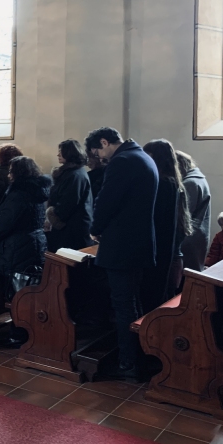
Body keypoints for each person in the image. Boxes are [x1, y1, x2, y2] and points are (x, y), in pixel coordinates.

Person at [86, 127, 158, 379]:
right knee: (132, 302)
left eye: (97, 151)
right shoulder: (143, 157)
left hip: (122, 246)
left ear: (105, 142)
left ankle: (128, 363)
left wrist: (95, 229)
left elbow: (107, 201)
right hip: (138, 244)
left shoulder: (122, 161)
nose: (99, 157)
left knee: (123, 305)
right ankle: (136, 357)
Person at [0, 156, 51, 346]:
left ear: (17, 173)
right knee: (26, 289)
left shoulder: (18, 193)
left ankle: (17, 334)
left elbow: (7, 220)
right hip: (34, 242)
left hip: (17, 247)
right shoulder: (37, 190)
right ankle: (25, 329)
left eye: (10, 171)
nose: (8, 174)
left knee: (16, 292)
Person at [141, 140, 191, 313]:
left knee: (153, 297)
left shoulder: (163, 183)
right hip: (168, 250)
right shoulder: (174, 183)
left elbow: (157, 219)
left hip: (160, 251)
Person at [45, 139, 93, 252]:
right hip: (69, 227)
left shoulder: (75, 175)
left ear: (69, 153)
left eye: (61, 151)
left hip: (72, 229)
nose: (58, 154)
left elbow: (68, 203)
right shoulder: (71, 173)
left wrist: (54, 215)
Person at [176, 151, 211, 273]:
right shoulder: (199, 178)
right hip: (198, 234)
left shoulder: (190, 183)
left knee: (187, 276)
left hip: (189, 238)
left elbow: (184, 213)